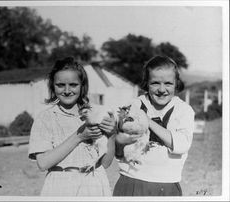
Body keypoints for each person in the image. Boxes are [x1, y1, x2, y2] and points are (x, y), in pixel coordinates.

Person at [28, 57, 117, 196]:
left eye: (73, 85)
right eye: (60, 85)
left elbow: (105, 163)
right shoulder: (45, 118)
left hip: (94, 183)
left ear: (82, 86)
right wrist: (79, 136)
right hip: (60, 186)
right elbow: (43, 163)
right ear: (52, 86)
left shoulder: (97, 113)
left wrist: (111, 134)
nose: (67, 90)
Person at [113, 55, 195, 196]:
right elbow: (120, 144)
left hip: (167, 184)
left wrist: (148, 121)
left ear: (176, 84)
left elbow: (182, 145)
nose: (161, 89)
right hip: (132, 181)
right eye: (155, 83)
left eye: (168, 83)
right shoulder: (134, 105)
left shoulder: (184, 110)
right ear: (146, 83)